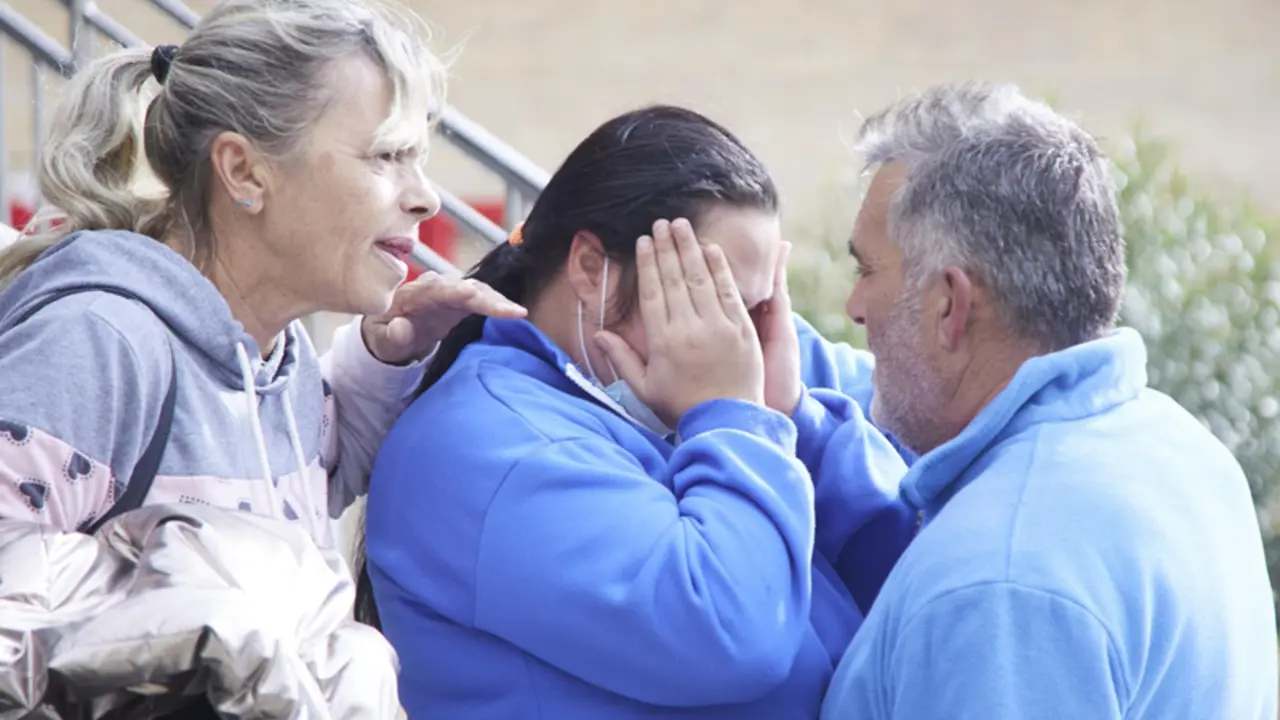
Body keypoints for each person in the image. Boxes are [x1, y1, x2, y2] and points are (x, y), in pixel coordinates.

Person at [362, 105, 916, 718]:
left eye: (755, 308)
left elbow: (918, 543)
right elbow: (734, 636)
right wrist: (735, 419)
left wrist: (794, 418)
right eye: (708, 300)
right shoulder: (483, 449)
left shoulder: (715, 373)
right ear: (591, 268)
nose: (741, 341)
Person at [819, 82, 1278, 719]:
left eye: (867, 270)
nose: (854, 308)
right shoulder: (1176, 446)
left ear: (949, 304)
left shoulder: (997, 587)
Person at [0, 0, 522, 545]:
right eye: (386, 155)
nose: (425, 199)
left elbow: (300, 479)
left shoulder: (275, 357)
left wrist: (383, 360)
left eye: (417, 159)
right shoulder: (93, 346)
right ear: (244, 171)